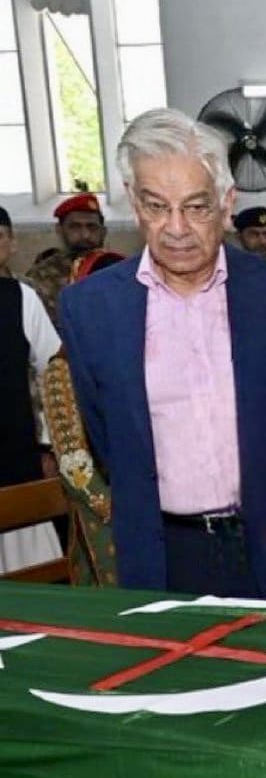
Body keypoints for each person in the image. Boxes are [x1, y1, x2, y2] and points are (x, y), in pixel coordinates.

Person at [58, 108, 266, 602]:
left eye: (197, 207)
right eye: (157, 206)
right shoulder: (91, 309)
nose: (177, 228)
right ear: (134, 204)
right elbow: (109, 438)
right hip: (162, 559)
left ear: (227, 203)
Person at [42, 248, 127, 586]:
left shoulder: (147, 356)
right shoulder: (62, 369)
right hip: (106, 517)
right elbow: (77, 468)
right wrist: (131, 513)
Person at [0, 204, 63, 576]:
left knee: (31, 577)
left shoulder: (20, 298)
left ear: (10, 244)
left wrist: (47, 443)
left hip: (14, 458)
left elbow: (53, 371)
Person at [24, 192, 107, 327]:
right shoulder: (42, 275)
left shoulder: (116, 269)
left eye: (92, 227)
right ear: (59, 230)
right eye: (75, 227)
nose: (85, 235)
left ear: (103, 231)